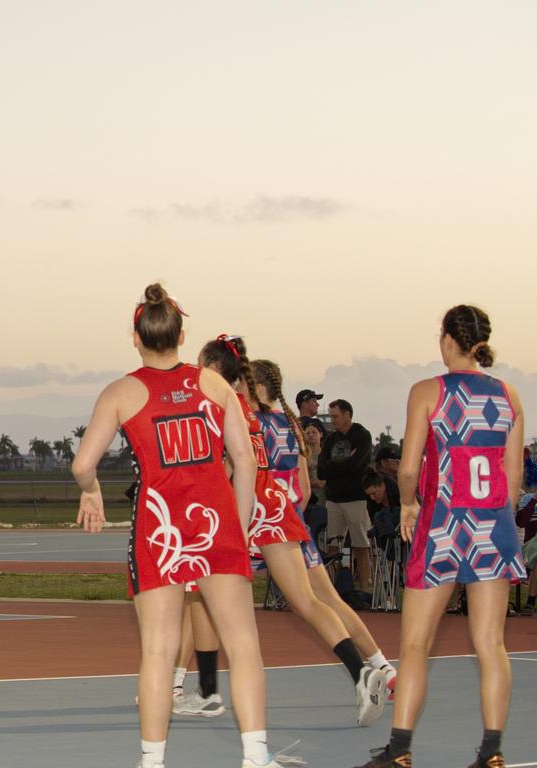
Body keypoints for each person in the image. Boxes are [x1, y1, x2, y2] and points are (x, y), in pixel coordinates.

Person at [72, 284, 288, 768]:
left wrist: (91, 490)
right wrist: (244, 521)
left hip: (159, 529)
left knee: (158, 651)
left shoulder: (121, 392)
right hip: (217, 525)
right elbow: (246, 461)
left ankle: (153, 762)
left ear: (136, 337)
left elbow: (83, 463)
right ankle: (256, 756)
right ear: (181, 334)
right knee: (243, 644)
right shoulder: (214, 385)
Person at [355, 305, 526, 768]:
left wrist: (407, 503)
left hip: (445, 527)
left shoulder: (428, 391)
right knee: (491, 644)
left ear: (449, 339)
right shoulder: (509, 395)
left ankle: (401, 748)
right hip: (492, 527)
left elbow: (407, 468)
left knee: (415, 644)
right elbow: (513, 479)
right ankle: (491, 752)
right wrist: (497, 524)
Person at [191, 339, 388, 727]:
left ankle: (208, 691)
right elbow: (299, 478)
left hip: (255, 511)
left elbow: (234, 469)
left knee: (208, 595)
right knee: (310, 601)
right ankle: (364, 669)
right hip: (281, 510)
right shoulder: (276, 419)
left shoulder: (234, 414)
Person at [318, 399, 374, 593]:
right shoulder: (330, 440)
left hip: (355, 497)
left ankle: (366, 587)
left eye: (335, 416)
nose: (332, 420)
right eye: (331, 417)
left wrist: (336, 465)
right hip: (333, 499)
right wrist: (345, 461)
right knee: (333, 545)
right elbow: (321, 471)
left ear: (347, 415)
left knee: (361, 544)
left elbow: (356, 464)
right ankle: (333, 588)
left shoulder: (362, 435)